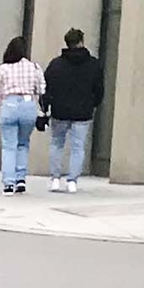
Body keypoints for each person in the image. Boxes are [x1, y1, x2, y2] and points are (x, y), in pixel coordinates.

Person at [43, 28, 103, 191]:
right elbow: (99, 89)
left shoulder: (56, 64)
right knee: (78, 146)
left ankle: (55, 179)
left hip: (60, 111)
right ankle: (72, 181)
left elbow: (47, 88)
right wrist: (93, 104)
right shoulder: (93, 64)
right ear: (81, 42)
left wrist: (47, 106)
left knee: (57, 143)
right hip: (83, 112)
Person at [0, 38, 43, 195]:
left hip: (10, 105)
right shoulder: (34, 67)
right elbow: (41, 88)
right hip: (28, 106)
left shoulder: (4, 68)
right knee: (23, 143)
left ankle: (8, 183)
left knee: (9, 146)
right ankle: (21, 179)